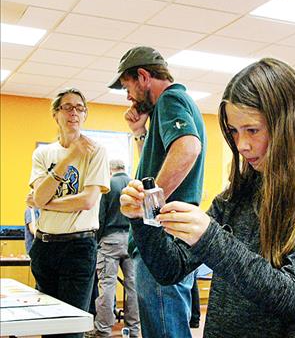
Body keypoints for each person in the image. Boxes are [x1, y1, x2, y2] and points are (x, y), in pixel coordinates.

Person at [120, 58, 295, 337]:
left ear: (287, 125)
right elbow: (169, 269)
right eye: (234, 132)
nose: (242, 145)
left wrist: (212, 239)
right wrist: (141, 218)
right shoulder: (235, 197)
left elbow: (294, 298)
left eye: (252, 130)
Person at [108, 46, 206, 338]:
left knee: (164, 330)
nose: (128, 97)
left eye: (128, 87)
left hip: (162, 237)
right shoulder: (171, 107)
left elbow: (188, 147)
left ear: (143, 76)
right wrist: (141, 133)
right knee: (167, 326)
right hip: (171, 235)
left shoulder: (170, 99)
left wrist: (148, 208)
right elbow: (153, 166)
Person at [27, 87, 110, 338]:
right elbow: (39, 197)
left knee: (70, 327)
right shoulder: (43, 153)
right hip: (44, 246)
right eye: (67, 107)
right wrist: (70, 156)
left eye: (79, 107)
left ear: (85, 115)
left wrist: (46, 202)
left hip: (78, 247)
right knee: (48, 324)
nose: (74, 112)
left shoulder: (97, 151)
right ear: (56, 114)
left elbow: (88, 200)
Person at [93, 159, 139, 338]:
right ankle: (133, 330)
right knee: (133, 286)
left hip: (110, 241)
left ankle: (103, 329)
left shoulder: (107, 185)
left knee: (107, 285)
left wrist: (98, 240)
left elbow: (101, 216)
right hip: (131, 239)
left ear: (110, 170)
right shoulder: (134, 183)